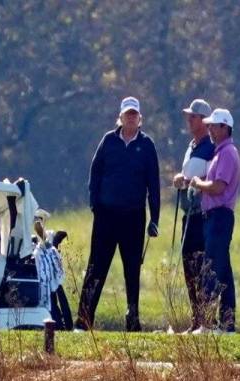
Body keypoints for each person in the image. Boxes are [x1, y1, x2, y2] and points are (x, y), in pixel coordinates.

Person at [74, 96, 161, 332]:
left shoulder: (147, 146)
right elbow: (95, 173)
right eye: (127, 114)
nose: (131, 117)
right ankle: (83, 321)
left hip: (133, 217)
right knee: (97, 267)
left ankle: (132, 321)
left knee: (132, 270)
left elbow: (153, 184)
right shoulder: (108, 141)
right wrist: (95, 205)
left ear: (139, 118)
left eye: (134, 114)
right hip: (106, 216)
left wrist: (155, 219)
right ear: (120, 117)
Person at [191, 108, 240, 334]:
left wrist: (197, 184)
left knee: (211, 268)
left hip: (219, 216)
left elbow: (218, 187)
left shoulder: (228, 153)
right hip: (216, 217)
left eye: (213, 126)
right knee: (224, 271)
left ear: (224, 128)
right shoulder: (221, 152)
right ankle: (227, 323)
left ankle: (208, 323)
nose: (209, 129)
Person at [172, 99, 215, 333]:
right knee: (189, 265)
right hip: (188, 214)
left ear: (204, 121)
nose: (189, 120)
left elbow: (210, 177)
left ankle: (206, 319)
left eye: (194, 117)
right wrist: (180, 179)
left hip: (202, 214)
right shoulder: (192, 145)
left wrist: (188, 181)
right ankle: (196, 318)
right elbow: (189, 174)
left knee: (200, 265)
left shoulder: (211, 147)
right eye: (189, 116)